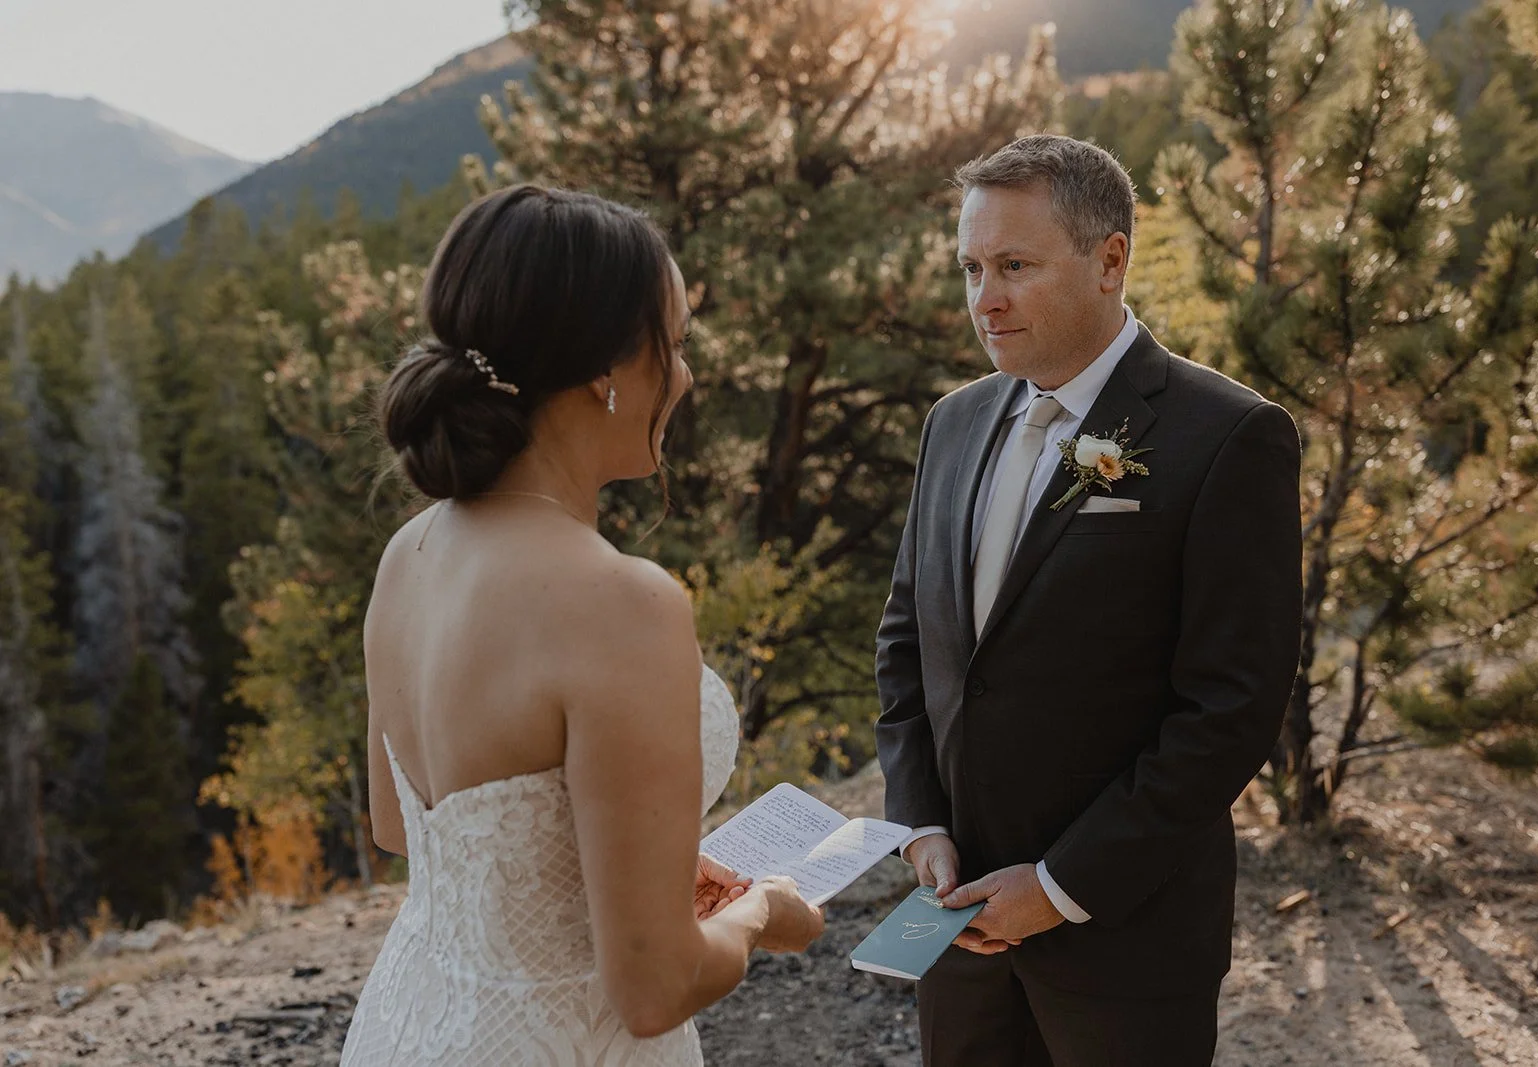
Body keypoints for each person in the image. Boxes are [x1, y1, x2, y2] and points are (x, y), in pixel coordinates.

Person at [340, 184, 824, 1067]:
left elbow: (401, 827)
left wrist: (635, 864)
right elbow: (655, 990)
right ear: (607, 371)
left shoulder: (408, 554)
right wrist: (763, 912)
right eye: (672, 345)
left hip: (411, 1026)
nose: (685, 375)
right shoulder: (619, 601)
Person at [875, 135, 1303, 1066]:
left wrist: (1063, 883)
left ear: (1111, 259)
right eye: (972, 267)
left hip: (1126, 938)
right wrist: (922, 825)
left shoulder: (1230, 436)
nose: (985, 298)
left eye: (1016, 266)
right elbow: (910, 641)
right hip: (957, 926)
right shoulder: (953, 423)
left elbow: (1230, 708)